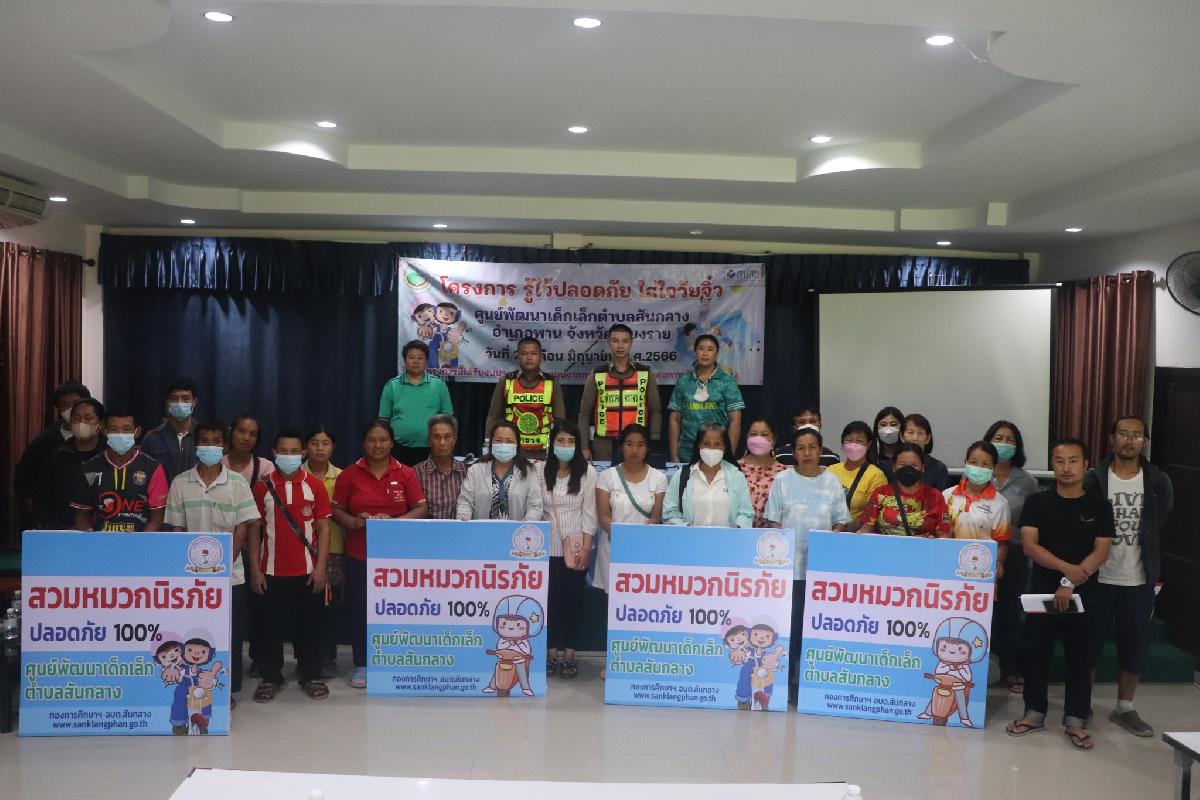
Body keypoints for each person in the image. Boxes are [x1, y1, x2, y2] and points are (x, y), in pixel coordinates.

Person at [1007, 438, 1113, 752]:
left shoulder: (1099, 506)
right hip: (1043, 591)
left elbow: (1102, 550)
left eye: (1073, 461)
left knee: (1081, 657)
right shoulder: (1037, 502)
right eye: (1059, 461)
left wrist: (1072, 581)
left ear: (1085, 465)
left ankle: (1076, 719)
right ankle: (1034, 713)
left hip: (1085, 593)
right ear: (1052, 464)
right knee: (1037, 654)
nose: (1066, 468)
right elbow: (1030, 546)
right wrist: (1068, 572)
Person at [1083, 416, 1174, 737]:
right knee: (1090, 643)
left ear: (1144, 442)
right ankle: (1082, 704)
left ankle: (1125, 708)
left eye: (1137, 435)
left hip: (1138, 578)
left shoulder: (1158, 481)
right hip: (1097, 576)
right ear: (1112, 438)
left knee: (1134, 645)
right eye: (1123, 433)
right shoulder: (1094, 478)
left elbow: (1161, 518)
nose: (1130, 440)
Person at [164, 420, 260, 701]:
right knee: (194, 633)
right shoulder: (180, 482)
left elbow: (244, 525)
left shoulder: (238, 483)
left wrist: (226, 561)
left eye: (216, 441)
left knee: (229, 633)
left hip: (231, 575)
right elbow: (177, 527)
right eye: (204, 441)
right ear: (196, 446)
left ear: (224, 446)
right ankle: (192, 685)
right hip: (191, 577)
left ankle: (227, 690)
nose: (210, 446)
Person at [331, 419, 429, 688]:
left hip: (397, 558)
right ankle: (362, 663)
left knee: (398, 609)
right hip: (359, 554)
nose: (378, 445)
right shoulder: (350, 474)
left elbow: (421, 508)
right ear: (363, 443)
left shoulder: (405, 473)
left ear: (392, 442)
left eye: (383, 440)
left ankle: (395, 659)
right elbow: (336, 510)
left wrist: (395, 523)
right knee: (360, 610)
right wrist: (354, 522)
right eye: (372, 440)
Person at [763, 426, 850, 691]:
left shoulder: (832, 481)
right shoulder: (782, 480)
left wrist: (831, 543)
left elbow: (840, 521)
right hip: (788, 569)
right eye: (801, 448)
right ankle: (786, 682)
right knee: (789, 625)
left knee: (813, 627)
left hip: (820, 569)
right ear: (794, 452)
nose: (807, 453)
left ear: (821, 450)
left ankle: (809, 684)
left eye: (812, 447)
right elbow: (773, 521)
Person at [248, 429, 331, 703]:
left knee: (309, 626)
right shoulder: (262, 487)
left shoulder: (315, 486)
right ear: (274, 453)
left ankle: (311, 675)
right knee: (269, 628)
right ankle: (271, 677)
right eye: (283, 451)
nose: (289, 456)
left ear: (303, 454)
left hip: (307, 571)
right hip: (270, 571)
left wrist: (321, 567)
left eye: (294, 451)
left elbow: (324, 528)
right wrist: (255, 570)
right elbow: (254, 531)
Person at [983, 419, 1041, 694]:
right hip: (980, 554)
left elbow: (1034, 520)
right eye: (998, 438)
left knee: (1009, 613)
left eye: (1009, 440)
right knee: (983, 612)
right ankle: (978, 666)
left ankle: (1010, 667)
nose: (1003, 444)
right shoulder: (978, 474)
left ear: (1017, 446)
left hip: (1015, 555)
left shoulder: (1027, 481)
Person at [539, 419, 597, 679]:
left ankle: (570, 656)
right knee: (550, 603)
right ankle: (551, 654)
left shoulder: (587, 472)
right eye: (560, 440)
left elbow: (589, 514)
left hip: (575, 550)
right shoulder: (539, 470)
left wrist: (586, 549)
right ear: (552, 443)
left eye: (571, 441)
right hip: (545, 550)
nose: (565, 446)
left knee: (573, 604)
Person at [594, 424, 667, 593]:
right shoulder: (607, 476)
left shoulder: (659, 478)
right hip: (613, 547)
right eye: (629, 444)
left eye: (640, 444)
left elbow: (656, 517)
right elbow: (603, 516)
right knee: (613, 598)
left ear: (647, 448)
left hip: (645, 549)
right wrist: (623, 537)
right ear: (621, 447)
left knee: (642, 599)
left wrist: (638, 539)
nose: (635, 450)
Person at [71, 407, 168, 532]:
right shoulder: (89, 469)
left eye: (126, 429)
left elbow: (157, 519)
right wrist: (90, 535)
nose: (120, 434)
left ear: (137, 432)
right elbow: (81, 516)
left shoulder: (152, 468)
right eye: (114, 429)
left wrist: (140, 540)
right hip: (100, 540)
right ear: (105, 431)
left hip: (139, 540)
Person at [578, 324, 663, 462]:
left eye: (625, 341)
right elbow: (584, 414)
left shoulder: (645, 373)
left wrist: (653, 443)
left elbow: (655, 411)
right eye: (615, 340)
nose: (620, 346)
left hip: (636, 443)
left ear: (631, 343)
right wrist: (583, 447)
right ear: (609, 342)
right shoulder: (598, 374)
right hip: (604, 445)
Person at [14, 380, 89, 531]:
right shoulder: (44, 442)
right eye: (64, 405)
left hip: (95, 526)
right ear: (58, 409)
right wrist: (47, 522)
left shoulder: (99, 440)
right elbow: (24, 484)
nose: (71, 409)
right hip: (55, 527)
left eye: (75, 403)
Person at [302, 425, 343, 679]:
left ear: (333, 447)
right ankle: (306, 658)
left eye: (325, 443)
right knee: (305, 608)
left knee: (329, 607)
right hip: (301, 551)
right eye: (314, 443)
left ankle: (327, 656)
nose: (320, 448)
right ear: (305, 447)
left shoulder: (342, 476)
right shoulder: (295, 475)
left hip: (335, 548)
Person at [667, 335, 745, 464]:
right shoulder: (683, 381)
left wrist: (728, 455)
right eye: (701, 348)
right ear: (695, 351)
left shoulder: (727, 381)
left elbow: (735, 420)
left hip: (717, 452)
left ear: (717, 353)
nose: (705, 353)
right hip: (687, 453)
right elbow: (674, 420)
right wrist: (674, 455)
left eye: (710, 349)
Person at [485, 337, 566, 460]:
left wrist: (561, 447)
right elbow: (494, 416)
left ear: (541, 357)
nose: (529, 358)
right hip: (511, 450)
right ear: (518, 357)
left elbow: (560, 419)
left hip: (544, 451)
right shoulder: (506, 380)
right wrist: (488, 444)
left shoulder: (551, 382)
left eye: (533, 353)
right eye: (524, 354)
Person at [663, 422, 754, 528]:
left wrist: (738, 526)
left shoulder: (736, 476)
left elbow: (746, 513)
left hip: (727, 538)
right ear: (699, 446)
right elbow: (669, 513)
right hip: (690, 537)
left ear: (725, 447)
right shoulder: (681, 476)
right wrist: (685, 526)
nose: (711, 449)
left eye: (717, 444)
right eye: (706, 444)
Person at [378, 339, 454, 465]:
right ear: (405, 360)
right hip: (398, 448)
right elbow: (384, 420)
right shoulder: (391, 386)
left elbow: (448, 419)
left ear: (426, 361)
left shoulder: (439, 386)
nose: (416, 361)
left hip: (432, 448)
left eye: (420, 358)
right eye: (411, 357)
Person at [36, 398, 108, 529]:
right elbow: (42, 498)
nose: (81, 423)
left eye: (88, 418)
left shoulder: (110, 455)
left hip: (105, 532)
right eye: (76, 418)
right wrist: (58, 528)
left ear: (101, 423)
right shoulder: (57, 456)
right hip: (63, 532)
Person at [455, 420, 544, 522]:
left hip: (516, 531)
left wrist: (527, 522)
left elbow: (535, 505)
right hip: (481, 530)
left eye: (509, 441)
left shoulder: (529, 471)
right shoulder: (476, 470)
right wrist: (463, 518)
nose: (503, 445)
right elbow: (465, 501)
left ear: (517, 444)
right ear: (491, 443)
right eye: (498, 440)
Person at [858, 444, 950, 537]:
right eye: (902, 465)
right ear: (893, 467)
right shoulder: (880, 493)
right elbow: (866, 528)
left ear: (923, 468)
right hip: (885, 545)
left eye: (914, 465)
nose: (908, 469)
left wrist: (930, 541)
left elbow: (944, 535)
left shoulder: (935, 496)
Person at [944, 442, 1011, 568]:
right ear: (966, 462)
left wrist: (997, 564)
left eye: (985, 464)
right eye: (973, 462)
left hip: (981, 567)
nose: (978, 468)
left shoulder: (1000, 504)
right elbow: (939, 531)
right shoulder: (947, 495)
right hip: (947, 562)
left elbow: (1002, 544)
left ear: (994, 467)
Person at [827, 421, 888, 529]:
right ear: (843, 442)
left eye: (859, 441)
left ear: (868, 444)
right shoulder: (831, 470)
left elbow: (872, 513)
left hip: (855, 533)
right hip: (825, 530)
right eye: (849, 440)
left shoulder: (876, 475)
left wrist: (844, 530)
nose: (854, 445)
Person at [141, 377, 200, 483]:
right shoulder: (152, 438)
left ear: (194, 402)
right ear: (167, 402)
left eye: (185, 398)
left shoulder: (204, 436)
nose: (180, 403)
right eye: (174, 399)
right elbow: (143, 474)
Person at [414, 415, 468, 520]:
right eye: (436, 437)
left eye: (447, 437)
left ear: (455, 439)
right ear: (429, 440)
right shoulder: (417, 473)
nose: (442, 442)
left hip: (459, 528)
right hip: (426, 529)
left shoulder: (466, 472)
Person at [737, 418, 785, 527]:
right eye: (753, 434)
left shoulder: (783, 472)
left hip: (770, 534)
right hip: (739, 531)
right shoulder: (735, 469)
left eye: (764, 435)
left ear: (774, 439)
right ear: (747, 438)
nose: (758, 439)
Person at [901, 413, 952, 490]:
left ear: (927, 438)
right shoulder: (887, 467)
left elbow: (943, 496)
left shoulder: (938, 468)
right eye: (910, 432)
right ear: (902, 437)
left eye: (920, 433)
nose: (915, 438)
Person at [223, 413, 274, 486]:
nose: (246, 438)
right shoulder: (218, 464)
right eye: (241, 431)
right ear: (231, 433)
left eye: (253, 434)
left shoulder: (265, 467)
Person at [868, 406, 904, 479]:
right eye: (883, 424)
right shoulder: (868, 456)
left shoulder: (909, 455)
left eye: (893, 424)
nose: (888, 430)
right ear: (877, 429)